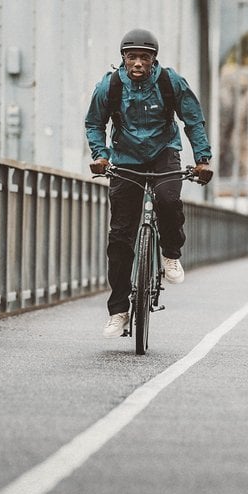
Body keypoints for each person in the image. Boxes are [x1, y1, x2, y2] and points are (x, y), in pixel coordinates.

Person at [85, 28, 213, 339]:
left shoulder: (170, 81)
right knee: (119, 237)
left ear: (154, 59)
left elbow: (193, 119)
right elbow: (94, 122)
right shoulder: (110, 85)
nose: (138, 62)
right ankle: (118, 311)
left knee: (168, 200)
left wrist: (202, 160)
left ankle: (170, 252)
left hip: (163, 152)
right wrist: (101, 155)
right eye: (133, 57)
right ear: (123, 59)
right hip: (126, 157)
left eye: (145, 57)